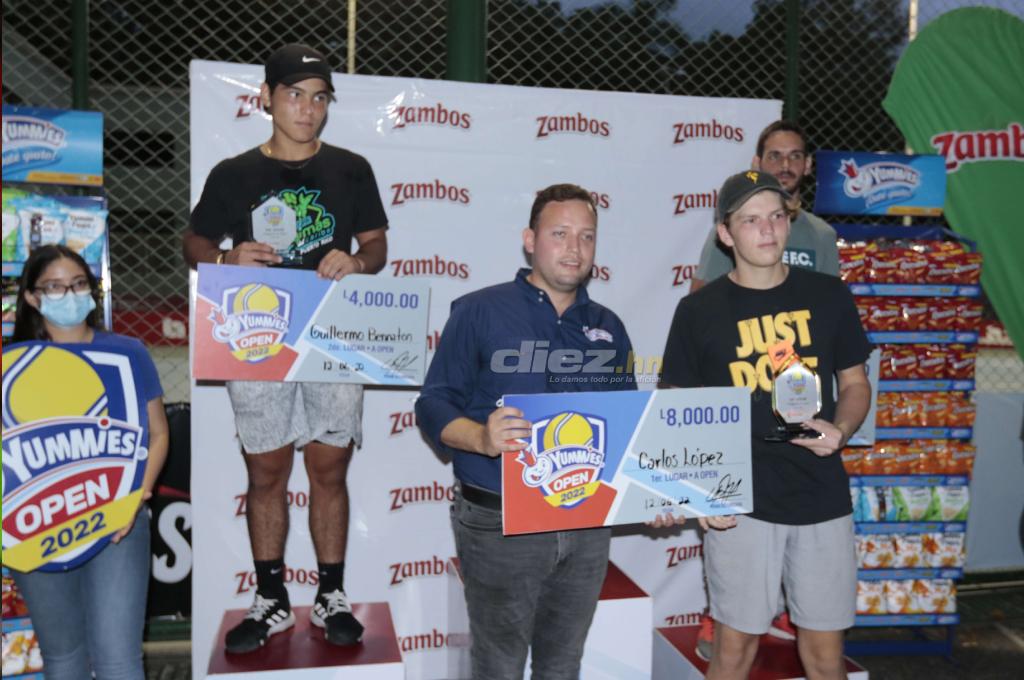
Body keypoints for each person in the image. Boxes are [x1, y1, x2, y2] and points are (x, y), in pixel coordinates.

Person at [182, 43, 388, 652]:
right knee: (266, 469)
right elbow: (194, 242)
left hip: (333, 332)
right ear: (267, 98)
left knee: (329, 467)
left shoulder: (351, 168)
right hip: (256, 333)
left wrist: (356, 261)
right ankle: (271, 598)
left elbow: (377, 246)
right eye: (295, 94)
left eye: (319, 97)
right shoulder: (234, 173)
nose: (307, 108)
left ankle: (330, 595)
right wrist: (226, 258)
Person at [416, 184, 635, 679]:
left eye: (586, 236)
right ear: (530, 240)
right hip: (499, 520)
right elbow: (433, 402)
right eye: (560, 234)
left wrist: (655, 493)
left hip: (586, 521)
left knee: (563, 665)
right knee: (500, 666)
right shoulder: (479, 311)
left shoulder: (609, 327)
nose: (575, 248)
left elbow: (625, 425)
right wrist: (480, 437)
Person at [659, 171, 871, 680]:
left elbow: (856, 383)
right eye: (751, 220)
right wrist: (695, 490)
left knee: (825, 656)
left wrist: (841, 429)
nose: (768, 229)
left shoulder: (828, 295)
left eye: (776, 216)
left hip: (820, 494)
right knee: (733, 651)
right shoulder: (697, 311)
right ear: (726, 234)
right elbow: (676, 409)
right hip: (739, 501)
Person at [9, 244, 169, 680]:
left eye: (78, 284)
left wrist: (137, 496)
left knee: (118, 659)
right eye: (55, 287)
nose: (69, 295)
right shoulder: (12, 366)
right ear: (32, 297)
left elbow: (157, 434)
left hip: (117, 519)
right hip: (35, 522)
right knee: (63, 659)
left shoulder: (128, 352)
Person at [690, 120, 839, 293]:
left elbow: (831, 300)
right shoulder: (734, 230)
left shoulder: (822, 234)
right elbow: (701, 300)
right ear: (757, 164)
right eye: (774, 156)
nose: (785, 165)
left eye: (795, 156)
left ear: (807, 164)